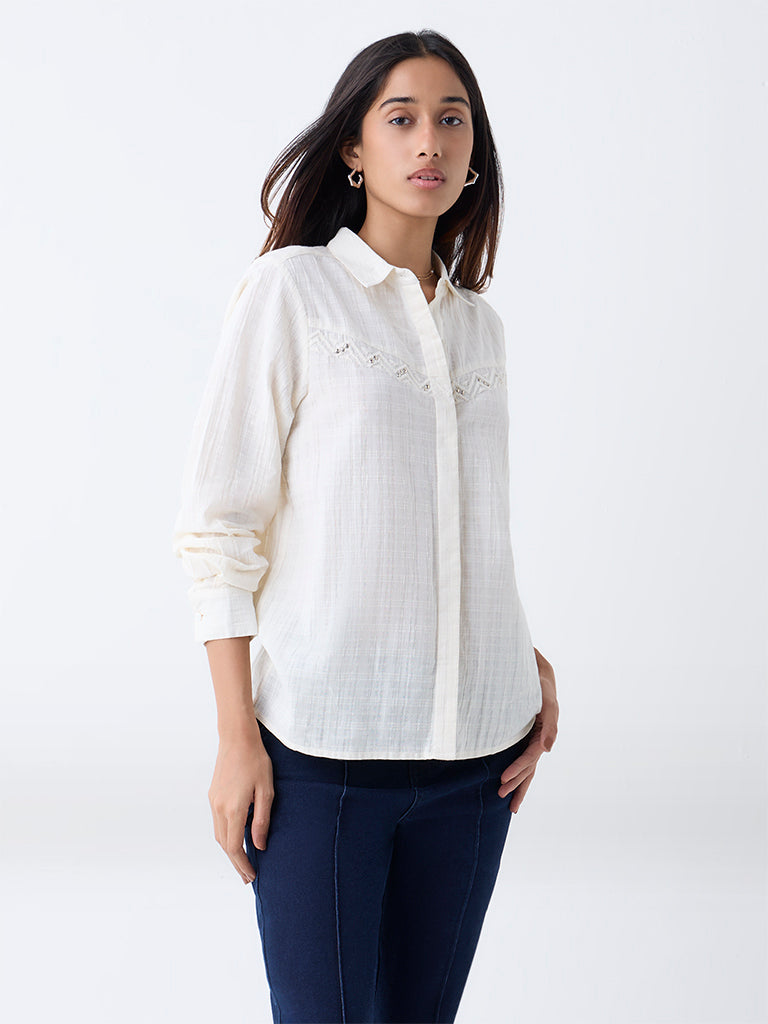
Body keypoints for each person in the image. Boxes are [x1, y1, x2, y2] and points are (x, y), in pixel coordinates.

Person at [172, 28, 559, 1024]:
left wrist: (526, 664)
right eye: (402, 118)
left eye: (452, 119)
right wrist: (235, 739)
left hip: (478, 764)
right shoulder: (292, 291)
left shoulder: (480, 327)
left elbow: (465, 526)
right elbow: (220, 528)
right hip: (319, 763)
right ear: (354, 146)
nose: (430, 140)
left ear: (474, 153)